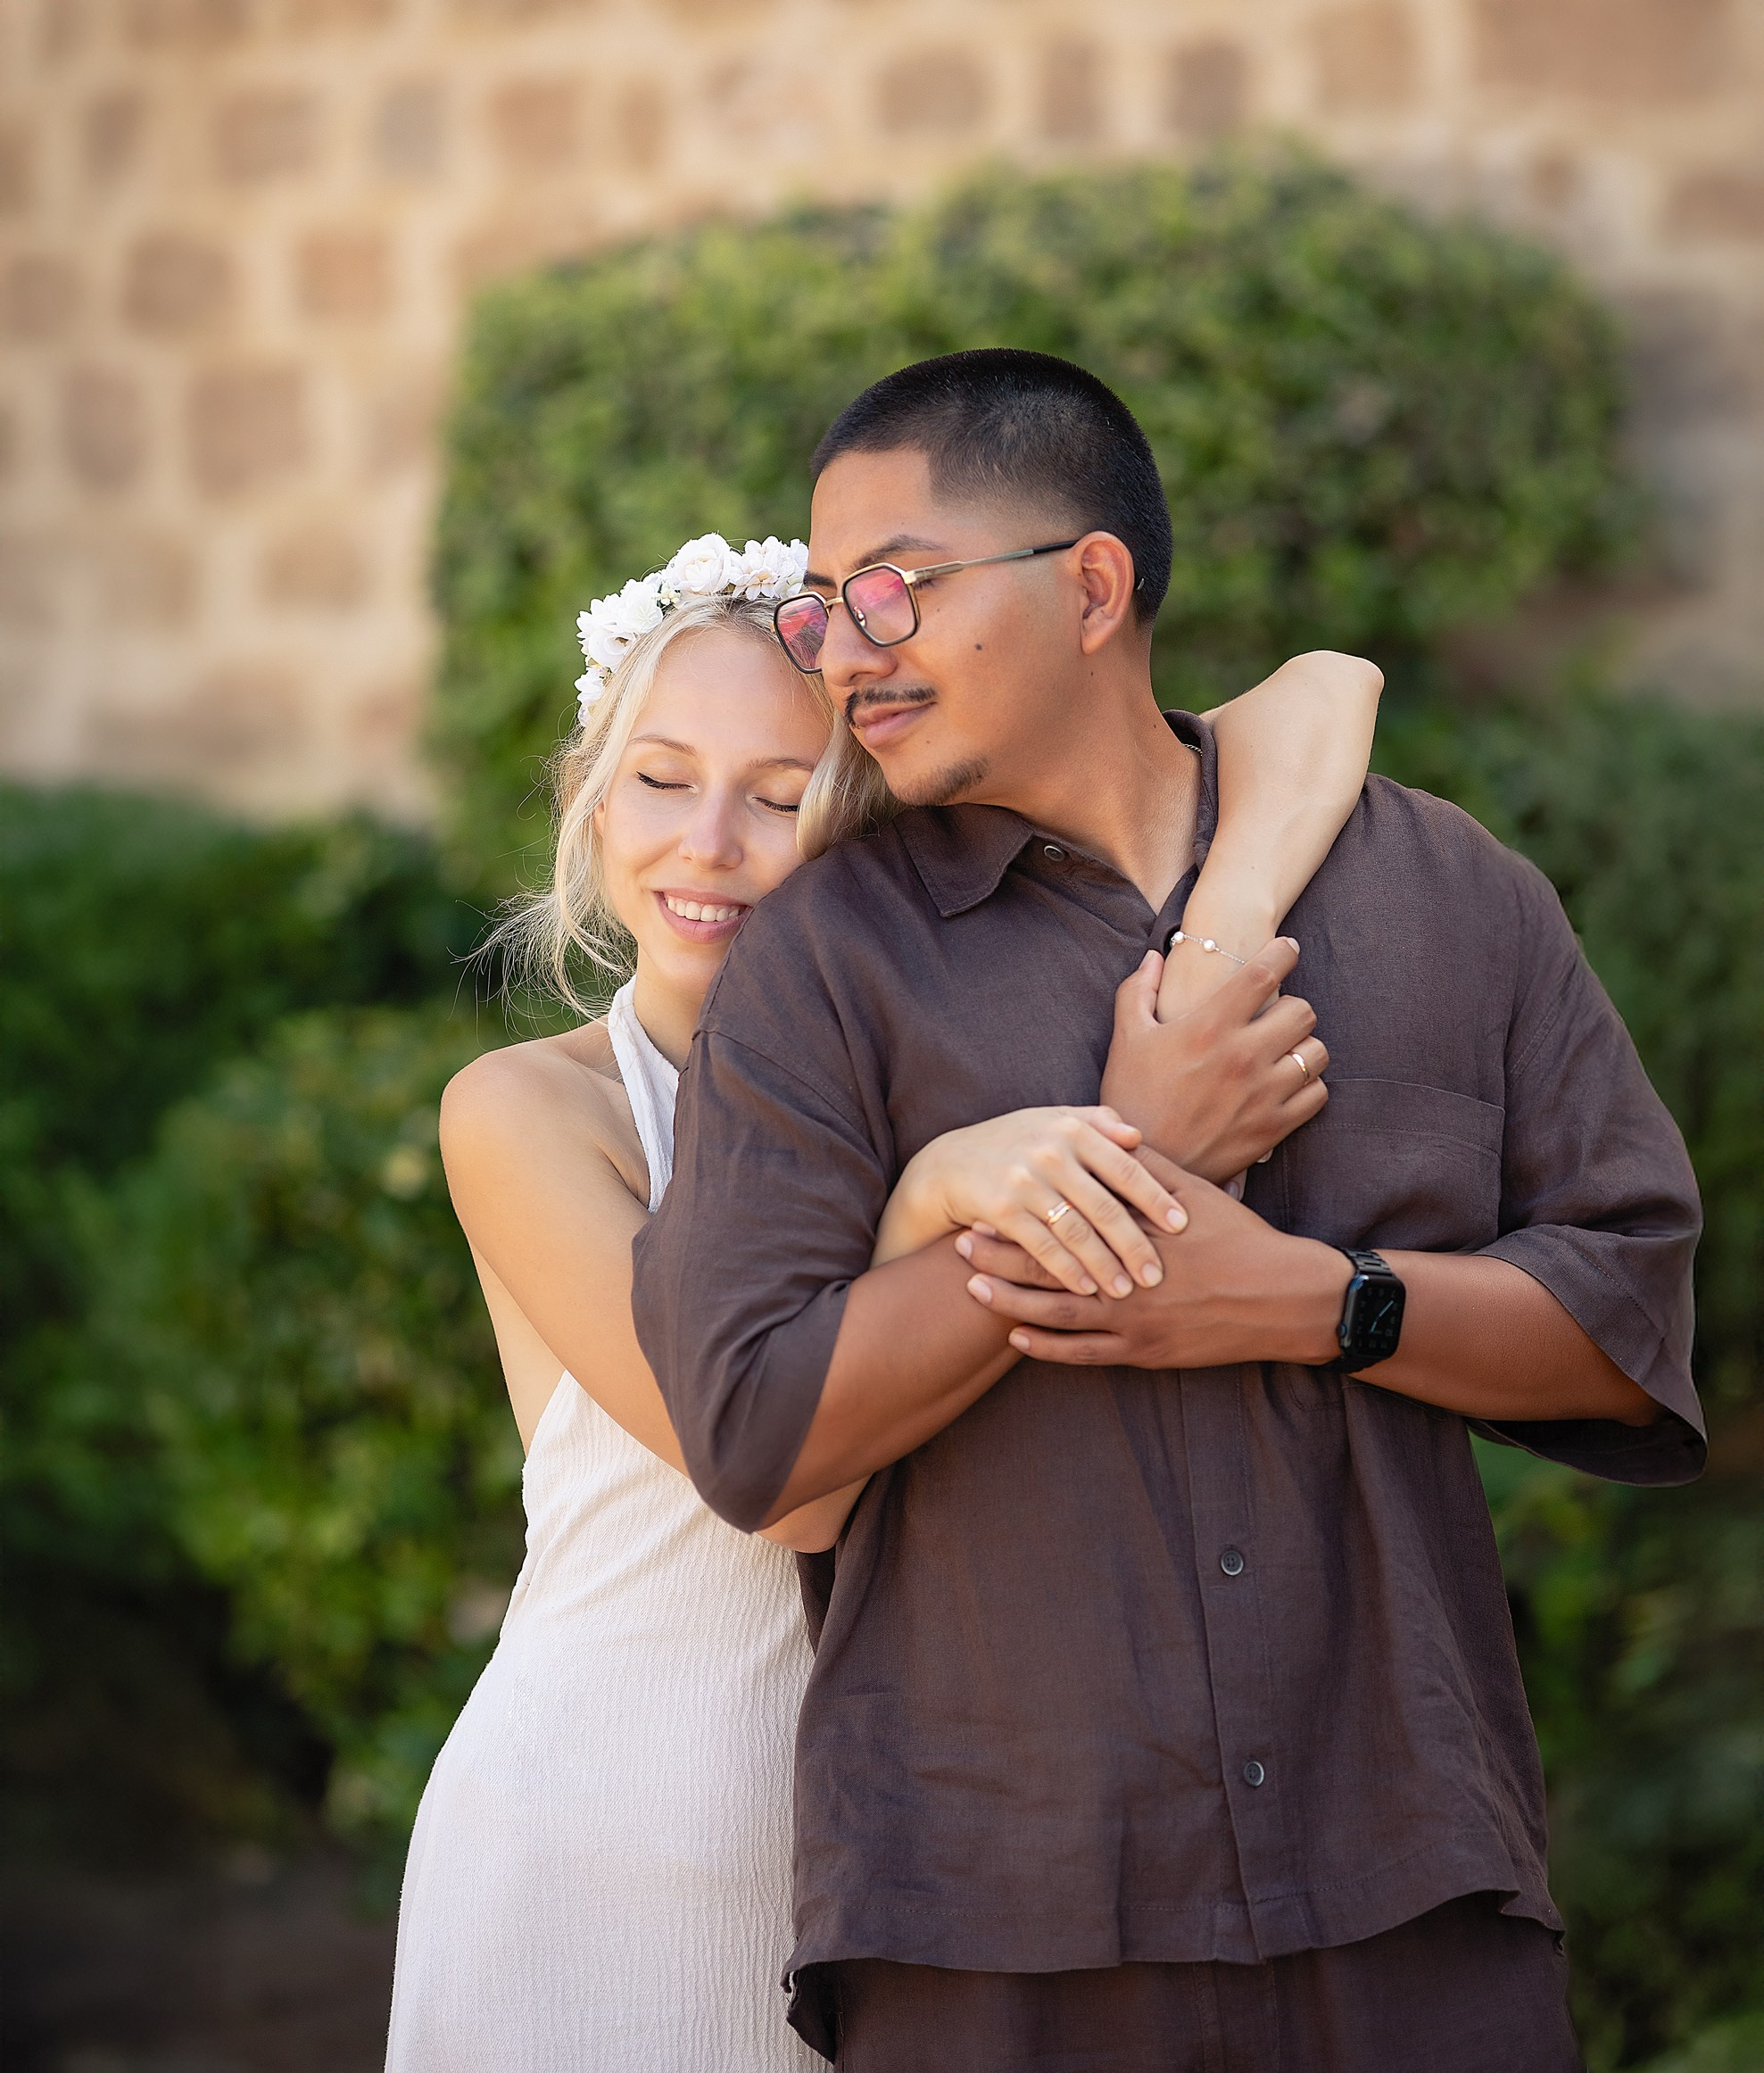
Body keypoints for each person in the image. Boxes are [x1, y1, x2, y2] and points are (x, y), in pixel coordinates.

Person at [632, 351, 1706, 2072]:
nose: (847, 646)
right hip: (996, 1921)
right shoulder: (829, 963)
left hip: (1411, 1893)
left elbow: (1629, 1316)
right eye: (827, 604)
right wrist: (1138, 1158)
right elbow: (753, 1422)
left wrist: (1307, 1301)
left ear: (1093, 585)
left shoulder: (1448, 893)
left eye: (894, 585)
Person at [382, 523, 1384, 2072]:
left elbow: (1323, 690)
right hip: (612, 1823)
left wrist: (1220, 926)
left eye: (778, 798)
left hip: (915, 1841)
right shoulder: (533, 1114)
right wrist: (946, 1193)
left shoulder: (925, 1063)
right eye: (656, 778)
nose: (705, 842)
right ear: (588, 797)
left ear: (862, 823)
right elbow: (773, 1481)